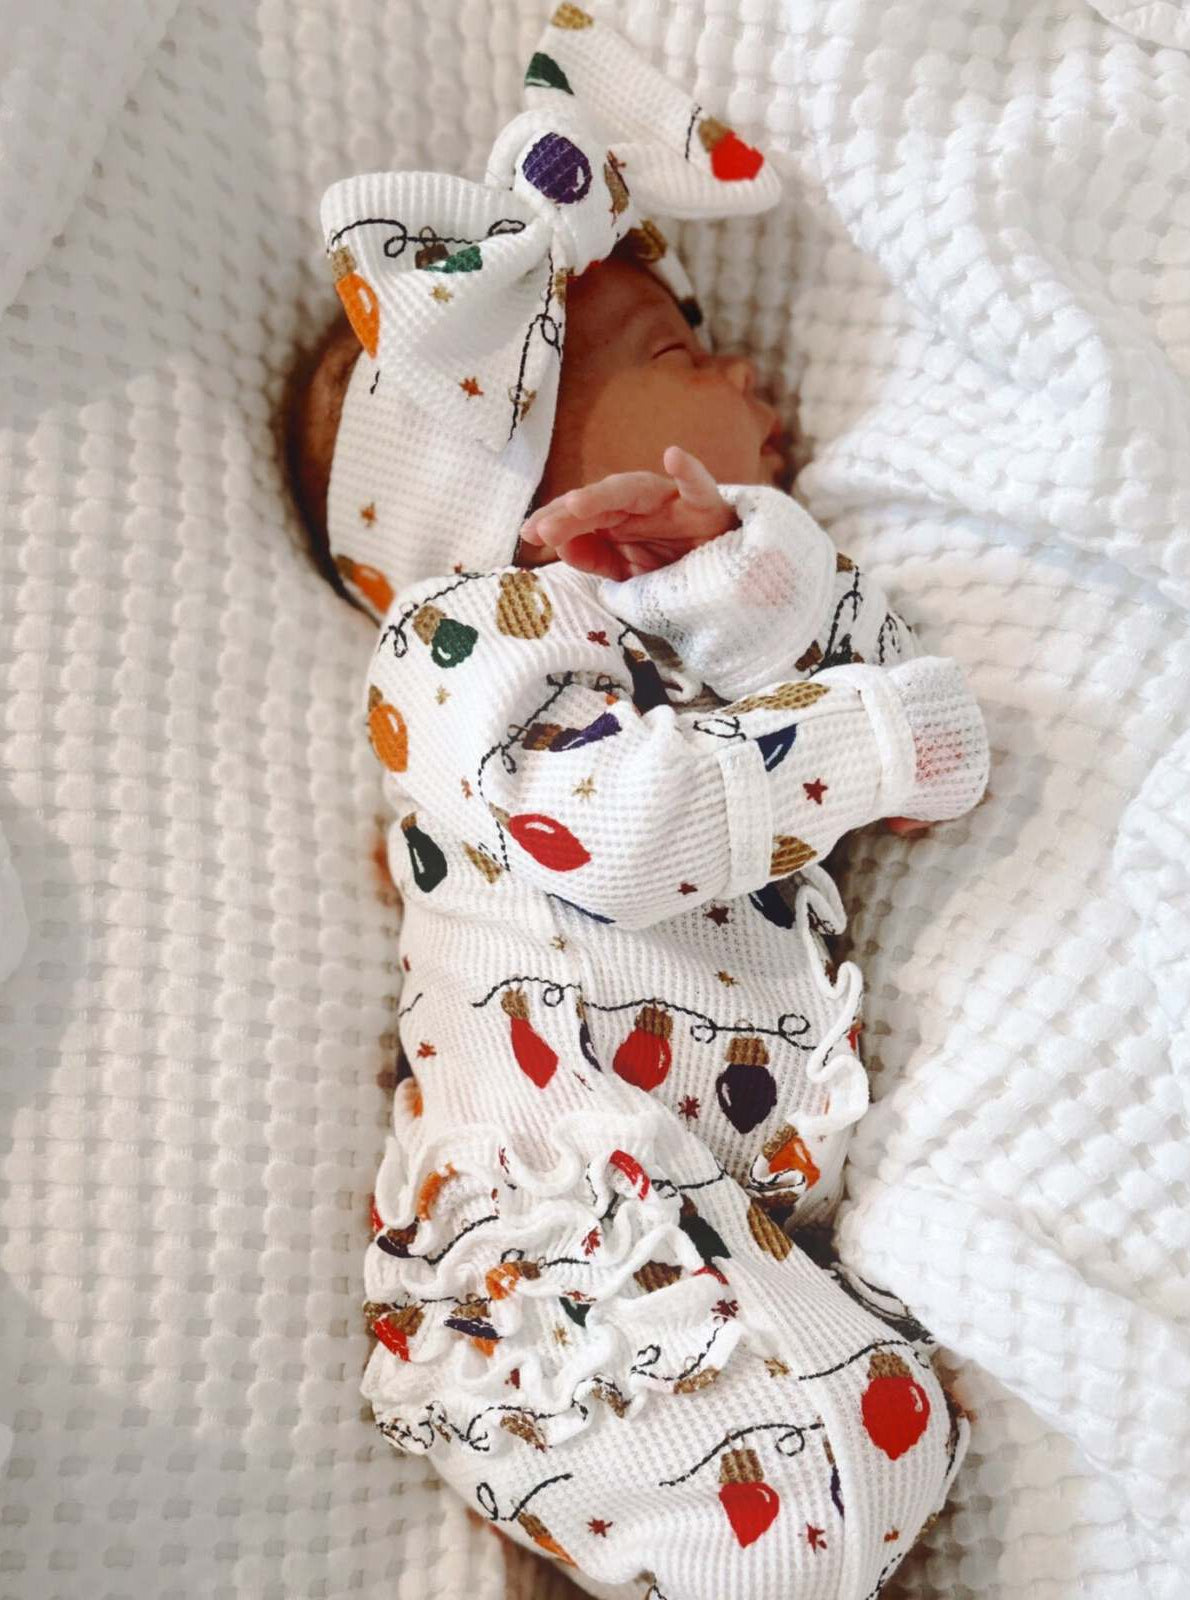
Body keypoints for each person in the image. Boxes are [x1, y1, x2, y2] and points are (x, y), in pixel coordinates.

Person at [279, 9, 989, 1596]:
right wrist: (865, 741)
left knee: (869, 1451)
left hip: (692, 1226)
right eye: (676, 349)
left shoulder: (707, 626)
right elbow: (622, 831)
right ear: (513, 477)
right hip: (564, 1233)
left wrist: (755, 569)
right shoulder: (462, 640)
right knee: (857, 1455)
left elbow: (934, 751)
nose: (740, 365)